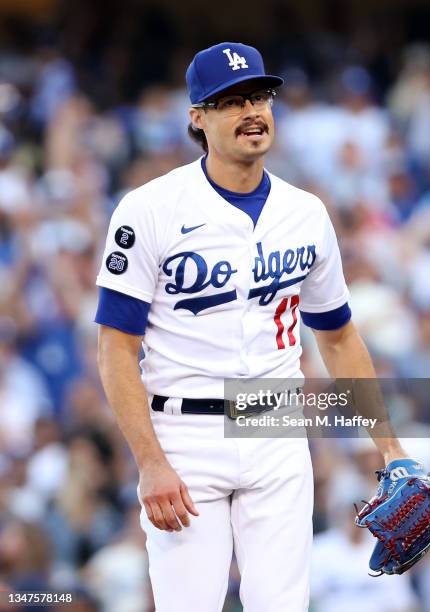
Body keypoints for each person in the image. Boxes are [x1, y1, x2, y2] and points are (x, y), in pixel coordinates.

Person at [94, 42, 410, 611]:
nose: (252, 111)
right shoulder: (149, 209)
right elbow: (116, 348)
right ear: (197, 117)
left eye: (259, 96)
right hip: (183, 433)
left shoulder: (305, 212)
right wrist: (150, 462)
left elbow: (337, 336)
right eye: (231, 101)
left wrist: (389, 447)